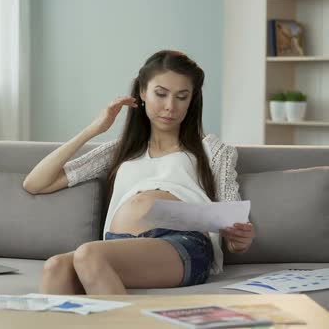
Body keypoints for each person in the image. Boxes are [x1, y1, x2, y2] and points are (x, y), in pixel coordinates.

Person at [22, 50, 256, 295]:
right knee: (55, 266)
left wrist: (240, 238)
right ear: (142, 92)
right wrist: (95, 129)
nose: (169, 107)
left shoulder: (212, 150)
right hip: (118, 245)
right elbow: (35, 183)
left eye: (181, 97)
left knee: (88, 254)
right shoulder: (120, 150)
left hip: (182, 243)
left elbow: (234, 223)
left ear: (192, 100)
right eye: (161, 94)